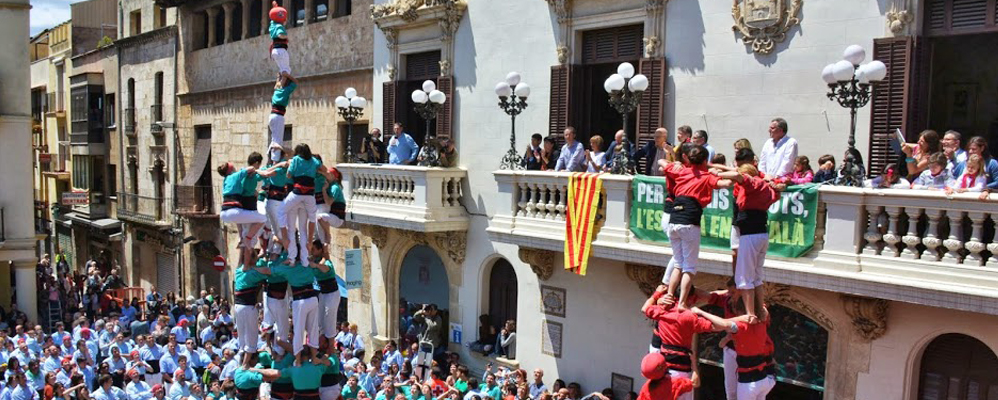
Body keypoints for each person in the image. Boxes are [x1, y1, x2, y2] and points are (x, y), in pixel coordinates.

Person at [661, 145, 733, 309]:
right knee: (689, 267)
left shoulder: (682, 171)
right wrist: (720, 172)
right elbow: (727, 183)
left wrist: (676, 163)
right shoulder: (707, 176)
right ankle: (682, 303)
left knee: (678, 263)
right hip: (689, 221)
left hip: (673, 220)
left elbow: (662, 163)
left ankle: (670, 295)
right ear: (705, 161)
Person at [717, 163, 780, 322]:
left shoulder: (753, 185)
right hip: (762, 235)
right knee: (756, 277)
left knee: (744, 278)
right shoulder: (765, 188)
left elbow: (739, 177)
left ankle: (750, 314)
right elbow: (777, 192)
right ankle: (759, 310)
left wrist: (715, 175)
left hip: (750, 235)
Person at [640, 285, 718, 400]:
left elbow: (644, 308)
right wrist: (695, 367)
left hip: (663, 353)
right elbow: (695, 383)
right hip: (678, 366)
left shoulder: (646, 390)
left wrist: (656, 295)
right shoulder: (688, 317)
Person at [692, 303, 775, 400]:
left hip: (748, 382)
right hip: (765, 379)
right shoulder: (762, 322)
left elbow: (723, 324)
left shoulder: (742, 327)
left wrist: (700, 311)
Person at [282, 143, 329, 267]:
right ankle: (304, 260)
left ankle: (291, 257)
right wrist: (315, 170)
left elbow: (288, 175)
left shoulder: (296, 160)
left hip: (296, 194)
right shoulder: (314, 161)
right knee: (303, 229)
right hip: (309, 196)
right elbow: (324, 169)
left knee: (283, 216)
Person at [218, 155, 269, 268]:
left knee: (239, 218)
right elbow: (250, 169)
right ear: (231, 170)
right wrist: (258, 170)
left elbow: (248, 191)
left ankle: (242, 237)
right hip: (233, 211)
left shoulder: (226, 180)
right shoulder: (235, 176)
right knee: (263, 218)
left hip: (224, 213)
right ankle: (247, 238)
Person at [307, 240, 341, 350]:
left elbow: (326, 269)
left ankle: (331, 346)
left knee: (329, 318)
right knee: (320, 320)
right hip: (323, 293)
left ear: (320, 250)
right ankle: (321, 344)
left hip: (332, 293)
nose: (312, 251)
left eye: (314, 249)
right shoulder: (315, 260)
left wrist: (315, 265)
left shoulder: (326, 261)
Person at [233, 259, 270, 354]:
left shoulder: (238, 271)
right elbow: (267, 273)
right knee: (252, 336)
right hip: (248, 307)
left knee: (242, 335)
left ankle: (243, 354)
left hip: (237, 306)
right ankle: (250, 356)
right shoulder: (253, 274)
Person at [268, 75, 298, 163]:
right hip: (278, 116)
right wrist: (287, 75)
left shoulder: (277, 89)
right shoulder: (285, 90)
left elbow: (277, 83)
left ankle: (272, 158)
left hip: (272, 116)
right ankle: (275, 161)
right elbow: (296, 82)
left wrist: (281, 75)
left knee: (274, 138)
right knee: (277, 139)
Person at [268, 2, 290, 78]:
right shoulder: (279, 26)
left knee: (282, 68)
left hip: (275, 51)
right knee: (286, 69)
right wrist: (286, 37)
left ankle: (280, 82)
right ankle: (285, 83)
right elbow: (280, 35)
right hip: (281, 50)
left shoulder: (272, 25)